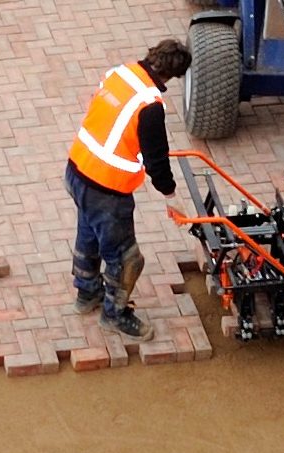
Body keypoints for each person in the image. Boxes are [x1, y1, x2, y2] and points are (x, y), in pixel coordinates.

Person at [65, 39, 191, 341]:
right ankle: (115, 315)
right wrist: (172, 197)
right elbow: (156, 162)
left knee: (89, 232)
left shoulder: (119, 74)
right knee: (127, 258)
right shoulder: (150, 106)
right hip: (107, 190)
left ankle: (86, 295)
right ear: (172, 76)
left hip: (77, 169)